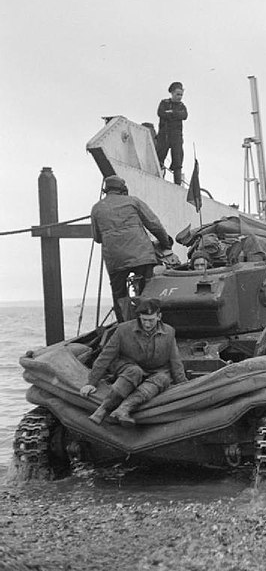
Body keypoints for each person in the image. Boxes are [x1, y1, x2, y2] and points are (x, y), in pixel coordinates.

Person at [80, 298, 186, 426]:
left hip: (156, 370)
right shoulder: (123, 330)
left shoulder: (169, 332)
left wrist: (183, 385)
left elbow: (175, 361)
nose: (147, 324)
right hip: (128, 366)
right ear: (139, 317)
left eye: (151, 320)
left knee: (163, 378)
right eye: (144, 320)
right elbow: (105, 356)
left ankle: (124, 409)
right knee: (134, 371)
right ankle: (103, 408)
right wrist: (91, 382)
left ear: (159, 317)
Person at [91, 175, 173, 322]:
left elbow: (97, 238)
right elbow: (154, 224)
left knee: (119, 294)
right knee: (148, 288)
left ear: (106, 190)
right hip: (142, 255)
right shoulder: (133, 202)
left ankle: (125, 325)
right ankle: (149, 320)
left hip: (115, 259)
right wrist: (165, 242)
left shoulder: (97, 208)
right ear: (123, 189)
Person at [156, 81, 188, 185]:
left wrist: (171, 113)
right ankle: (158, 179)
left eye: (181, 95)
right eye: (177, 94)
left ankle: (177, 184)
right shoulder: (164, 103)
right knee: (159, 158)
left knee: (177, 161)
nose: (179, 97)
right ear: (172, 93)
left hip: (176, 137)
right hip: (164, 135)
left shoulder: (181, 106)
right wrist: (175, 115)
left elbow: (184, 115)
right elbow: (160, 113)